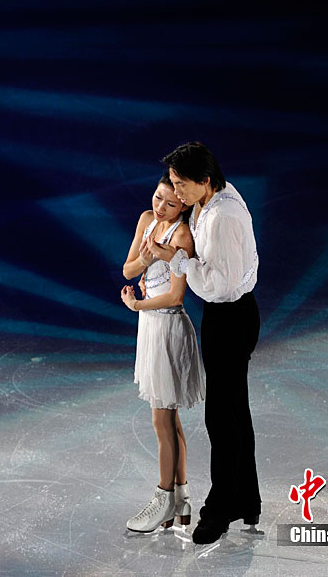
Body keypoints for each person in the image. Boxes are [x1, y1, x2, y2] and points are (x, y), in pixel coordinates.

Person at [145, 142, 261, 544]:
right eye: (173, 183)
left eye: (181, 184)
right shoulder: (211, 200)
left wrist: (175, 260)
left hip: (230, 317)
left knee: (222, 418)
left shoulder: (222, 217)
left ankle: (220, 510)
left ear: (205, 180)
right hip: (228, 315)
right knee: (234, 413)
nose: (176, 193)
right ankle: (246, 500)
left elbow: (220, 285)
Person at [120, 171, 205, 533]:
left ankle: (163, 497)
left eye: (171, 203)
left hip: (169, 328)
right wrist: (146, 258)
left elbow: (175, 295)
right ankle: (181, 498)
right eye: (158, 198)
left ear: (183, 205)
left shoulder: (182, 235)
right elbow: (128, 269)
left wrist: (137, 305)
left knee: (162, 421)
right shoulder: (146, 220)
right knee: (170, 420)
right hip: (151, 328)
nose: (161, 207)